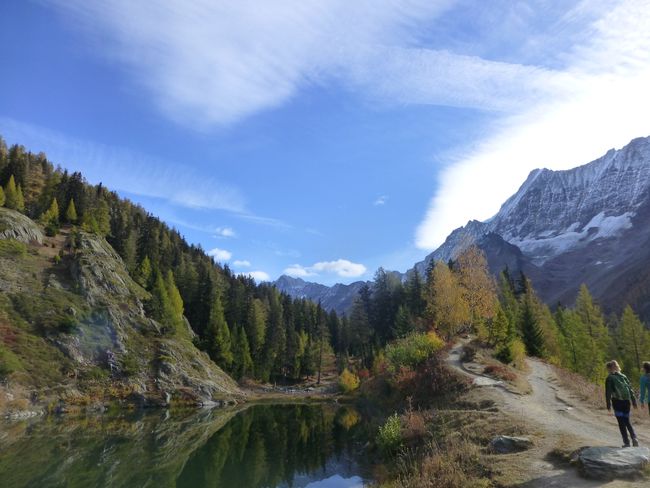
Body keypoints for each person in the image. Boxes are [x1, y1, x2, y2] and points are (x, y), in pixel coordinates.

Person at [605, 360, 639, 447]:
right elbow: (630, 389)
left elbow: (608, 392)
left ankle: (626, 442)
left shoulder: (609, 378)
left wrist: (608, 403)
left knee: (621, 422)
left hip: (617, 402)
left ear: (609, 368)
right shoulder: (623, 376)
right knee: (627, 421)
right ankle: (634, 438)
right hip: (627, 402)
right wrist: (634, 400)